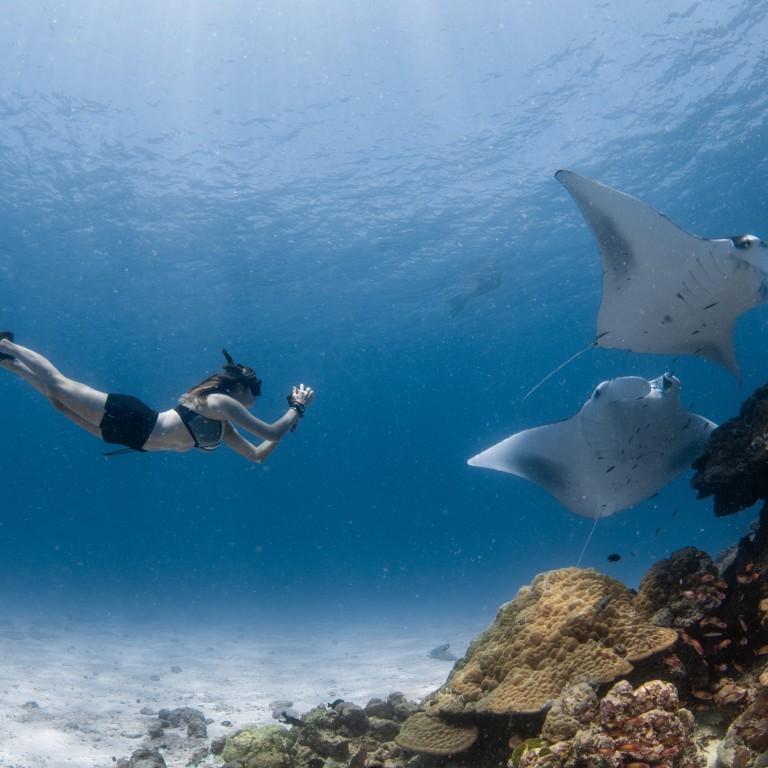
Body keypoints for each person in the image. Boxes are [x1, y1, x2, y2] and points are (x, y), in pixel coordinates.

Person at [0, 332, 313, 461]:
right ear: (238, 387)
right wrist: (297, 408)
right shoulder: (220, 402)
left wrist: (290, 423)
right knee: (58, 386)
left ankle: (7, 363)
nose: (256, 394)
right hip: (136, 420)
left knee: (58, 403)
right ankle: (7, 345)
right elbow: (270, 431)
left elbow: (257, 454)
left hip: (132, 439)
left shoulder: (224, 427)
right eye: (254, 388)